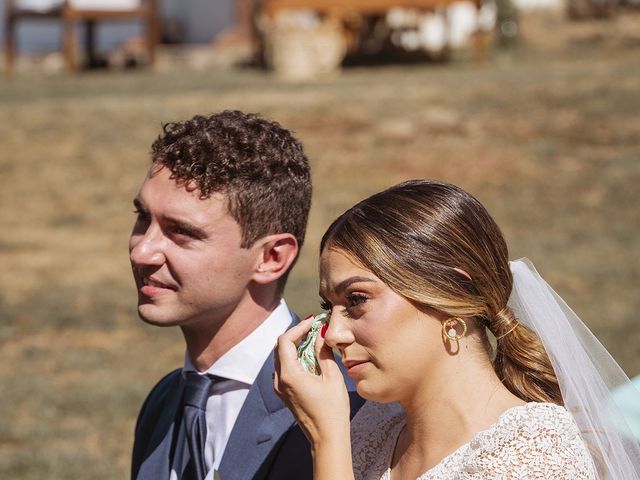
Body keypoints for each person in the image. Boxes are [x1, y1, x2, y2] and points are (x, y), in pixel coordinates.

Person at [274, 179, 640, 479]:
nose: (334, 333)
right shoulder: (374, 429)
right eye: (329, 307)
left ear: (451, 294)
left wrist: (327, 441)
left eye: (356, 300)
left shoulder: (536, 453)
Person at [129, 110, 363, 480]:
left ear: (271, 258)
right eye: (143, 218)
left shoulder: (348, 405)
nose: (142, 251)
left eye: (181, 232)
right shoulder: (162, 403)